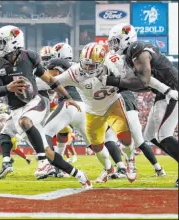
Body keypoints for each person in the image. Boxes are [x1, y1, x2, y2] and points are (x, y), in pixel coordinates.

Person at [0, 25, 91, 188]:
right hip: (16, 109)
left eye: (2, 42)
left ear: (13, 42)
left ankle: (41, 160)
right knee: (49, 151)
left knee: (25, 122)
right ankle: (79, 174)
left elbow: (50, 80)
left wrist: (67, 97)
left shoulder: (29, 57)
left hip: (36, 102)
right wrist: (9, 88)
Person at [100, 23, 178, 187]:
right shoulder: (130, 55)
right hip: (163, 92)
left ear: (126, 38)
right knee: (150, 136)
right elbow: (143, 85)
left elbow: (143, 80)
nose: (113, 46)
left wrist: (113, 81)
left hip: (173, 90)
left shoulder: (137, 48)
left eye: (116, 41)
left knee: (164, 135)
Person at [51, 42, 137, 183]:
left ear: (102, 62)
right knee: (97, 146)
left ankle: (130, 161)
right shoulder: (75, 71)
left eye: (92, 65)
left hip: (113, 104)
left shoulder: (113, 64)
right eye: (86, 64)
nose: (87, 68)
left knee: (125, 138)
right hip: (92, 111)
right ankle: (108, 169)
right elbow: (54, 81)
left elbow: (131, 79)